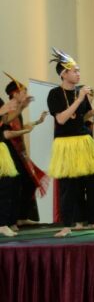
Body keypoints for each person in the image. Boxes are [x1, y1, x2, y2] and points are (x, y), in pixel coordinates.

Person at [47, 48, 94, 237]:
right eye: (74, 71)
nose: (78, 73)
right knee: (69, 187)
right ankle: (67, 225)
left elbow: (84, 116)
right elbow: (61, 119)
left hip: (84, 142)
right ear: (63, 74)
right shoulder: (55, 94)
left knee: (92, 184)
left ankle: (93, 221)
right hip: (66, 144)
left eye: (78, 70)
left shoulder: (79, 93)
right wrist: (79, 99)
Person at [3, 73, 49, 226]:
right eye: (23, 92)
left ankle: (20, 217)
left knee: (29, 182)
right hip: (10, 152)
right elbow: (8, 133)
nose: (26, 95)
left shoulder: (16, 110)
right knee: (15, 185)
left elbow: (21, 127)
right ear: (15, 94)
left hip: (19, 153)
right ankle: (11, 221)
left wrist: (37, 121)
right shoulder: (7, 110)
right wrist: (24, 131)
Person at [0, 98, 24, 237]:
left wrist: (20, 107)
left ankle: (2, 225)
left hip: (1, 149)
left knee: (6, 186)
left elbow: (5, 120)